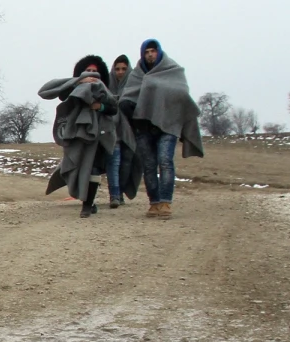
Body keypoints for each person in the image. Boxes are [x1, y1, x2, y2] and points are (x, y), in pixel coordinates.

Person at [118, 39, 204, 219]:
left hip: (168, 124)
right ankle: (154, 202)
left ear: (159, 52)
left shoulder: (173, 70)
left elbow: (182, 93)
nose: (150, 54)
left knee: (165, 161)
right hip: (144, 127)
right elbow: (127, 98)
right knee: (149, 165)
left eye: (153, 51)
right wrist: (133, 113)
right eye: (147, 51)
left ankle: (166, 202)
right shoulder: (137, 74)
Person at [39, 55, 118, 218]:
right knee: (78, 167)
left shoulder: (104, 89)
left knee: (93, 168)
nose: (91, 74)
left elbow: (113, 108)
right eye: (88, 70)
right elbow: (48, 91)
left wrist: (100, 106)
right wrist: (76, 82)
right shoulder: (73, 88)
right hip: (76, 136)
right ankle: (88, 200)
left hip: (99, 136)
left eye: (95, 71)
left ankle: (87, 206)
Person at [105, 54, 140, 208]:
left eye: (124, 69)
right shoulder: (106, 84)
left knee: (127, 164)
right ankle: (115, 194)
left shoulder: (135, 85)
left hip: (131, 132)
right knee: (114, 163)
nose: (120, 72)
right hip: (113, 131)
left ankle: (121, 191)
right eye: (117, 69)